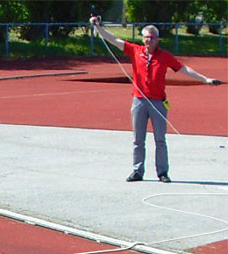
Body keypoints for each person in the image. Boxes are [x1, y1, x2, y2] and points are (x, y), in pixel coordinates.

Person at [90, 16, 221, 183]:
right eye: (146, 37)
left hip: (158, 102)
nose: (149, 40)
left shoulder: (164, 56)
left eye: (152, 37)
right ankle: (137, 171)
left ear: (157, 39)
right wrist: (98, 28)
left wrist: (205, 79)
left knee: (160, 139)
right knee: (138, 139)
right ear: (142, 38)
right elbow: (114, 40)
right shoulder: (135, 50)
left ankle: (163, 172)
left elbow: (183, 69)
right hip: (139, 101)